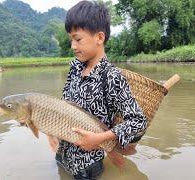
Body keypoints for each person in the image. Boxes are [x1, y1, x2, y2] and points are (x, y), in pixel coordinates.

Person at [55, 1, 148, 179]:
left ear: (99, 37)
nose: (73, 46)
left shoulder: (112, 77)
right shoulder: (75, 69)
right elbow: (63, 108)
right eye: (71, 39)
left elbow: (138, 121)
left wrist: (99, 139)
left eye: (78, 39)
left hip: (87, 167)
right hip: (62, 157)